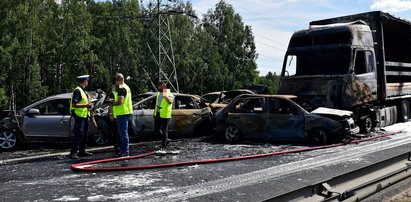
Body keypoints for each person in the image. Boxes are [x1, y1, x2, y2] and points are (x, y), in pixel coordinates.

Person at [69, 75, 93, 159]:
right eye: (87, 81)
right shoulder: (77, 91)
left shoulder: (83, 91)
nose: (87, 82)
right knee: (79, 134)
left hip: (84, 115)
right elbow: (74, 104)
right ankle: (73, 152)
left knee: (85, 134)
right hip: (79, 115)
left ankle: (82, 150)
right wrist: (86, 105)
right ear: (84, 81)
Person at [110, 73, 133, 157]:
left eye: (116, 80)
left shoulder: (122, 88)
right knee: (122, 133)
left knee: (123, 133)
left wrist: (112, 104)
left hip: (123, 113)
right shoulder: (125, 86)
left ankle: (125, 151)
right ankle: (123, 150)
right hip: (123, 112)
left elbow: (120, 101)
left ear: (119, 80)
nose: (115, 82)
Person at [154, 82, 174, 149]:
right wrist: (155, 113)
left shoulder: (169, 93)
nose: (158, 88)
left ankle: (163, 145)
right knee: (156, 130)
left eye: (159, 87)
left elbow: (170, 101)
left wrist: (165, 96)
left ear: (163, 87)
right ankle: (166, 139)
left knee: (164, 130)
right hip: (158, 113)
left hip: (165, 115)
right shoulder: (159, 93)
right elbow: (157, 104)